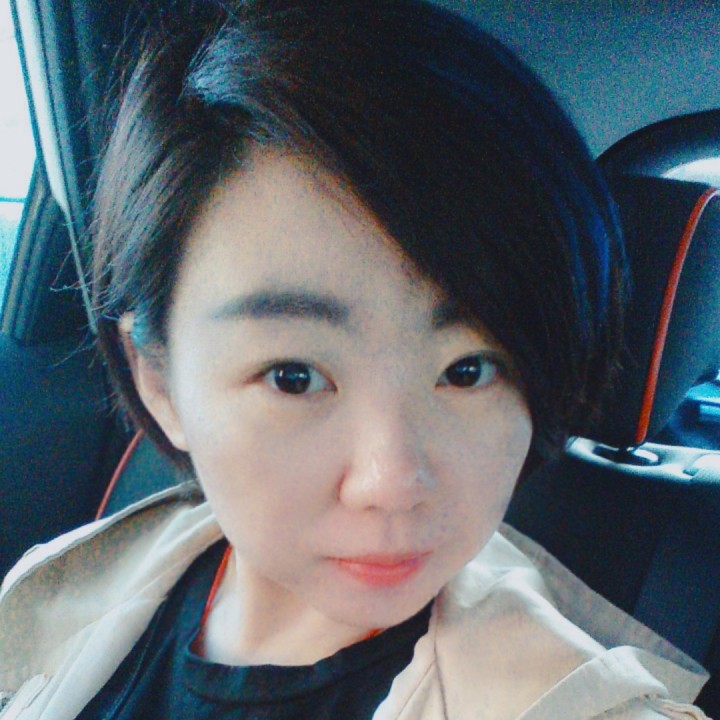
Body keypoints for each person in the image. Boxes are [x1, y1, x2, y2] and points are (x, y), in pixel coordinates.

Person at [0, 1, 709, 717]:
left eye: (467, 371)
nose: (392, 483)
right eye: (294, 378)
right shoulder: (55, 593)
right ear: (159, 381)